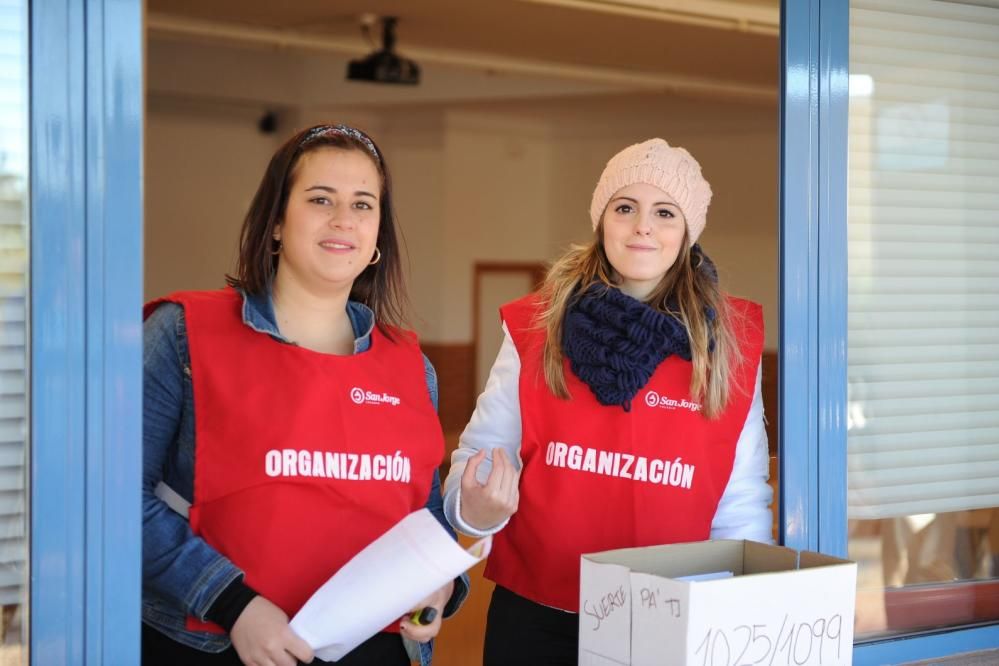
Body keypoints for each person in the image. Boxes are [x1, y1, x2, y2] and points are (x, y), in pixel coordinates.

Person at [142, 124, 468, 666]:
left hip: (373, 651)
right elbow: (112, 499)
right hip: (221, 642)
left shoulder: (413, 367)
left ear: (377, 236)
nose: (344, 220)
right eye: (321, 199)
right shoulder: (183, 334)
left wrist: (439, 589)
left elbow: (424, 520)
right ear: (275, 222)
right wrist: (233, 604)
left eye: (363, 205)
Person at [443, 138, 773, 665]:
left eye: (665, 212)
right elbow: (473, 469)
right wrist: (474, 511)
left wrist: (741, 613)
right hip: (536, 618)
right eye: (626, 208)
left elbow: (741, 504)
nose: (643, 226)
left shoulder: (729, 344)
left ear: (687, 233)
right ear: (602, 222)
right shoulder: (536, 325)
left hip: (672, 616)